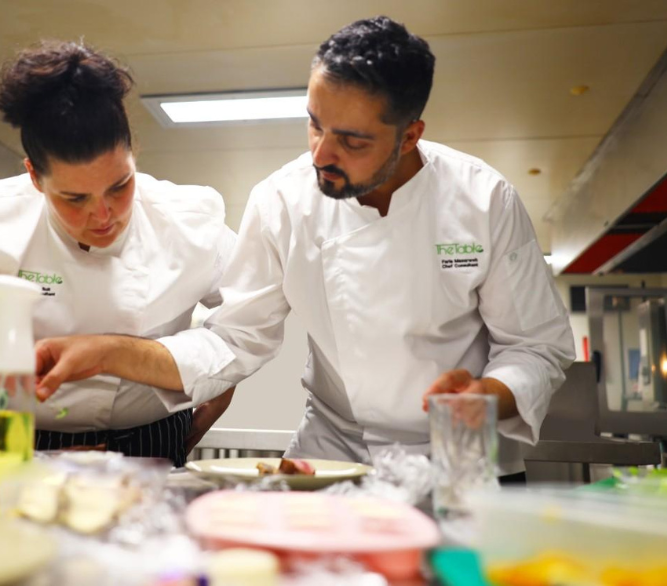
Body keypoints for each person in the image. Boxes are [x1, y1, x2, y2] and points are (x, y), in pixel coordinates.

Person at [32, 17, 576, 476]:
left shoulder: (484, 199)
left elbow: (536, 346)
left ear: (410, 135)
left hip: (463, 459)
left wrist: (488, 396)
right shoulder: (282, 200)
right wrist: (109, 352)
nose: (321, 154)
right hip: (335, 455)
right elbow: (237, 337)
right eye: (315, 125)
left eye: (352, 141)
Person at [0, 41, 236, 467]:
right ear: (35, 177)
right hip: (15, 438)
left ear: (132, 154)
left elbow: (243, 331)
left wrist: (217, 385)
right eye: (74, 198)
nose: (103, 216)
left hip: (148, 438)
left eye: (119, 187)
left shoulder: (191, 219)